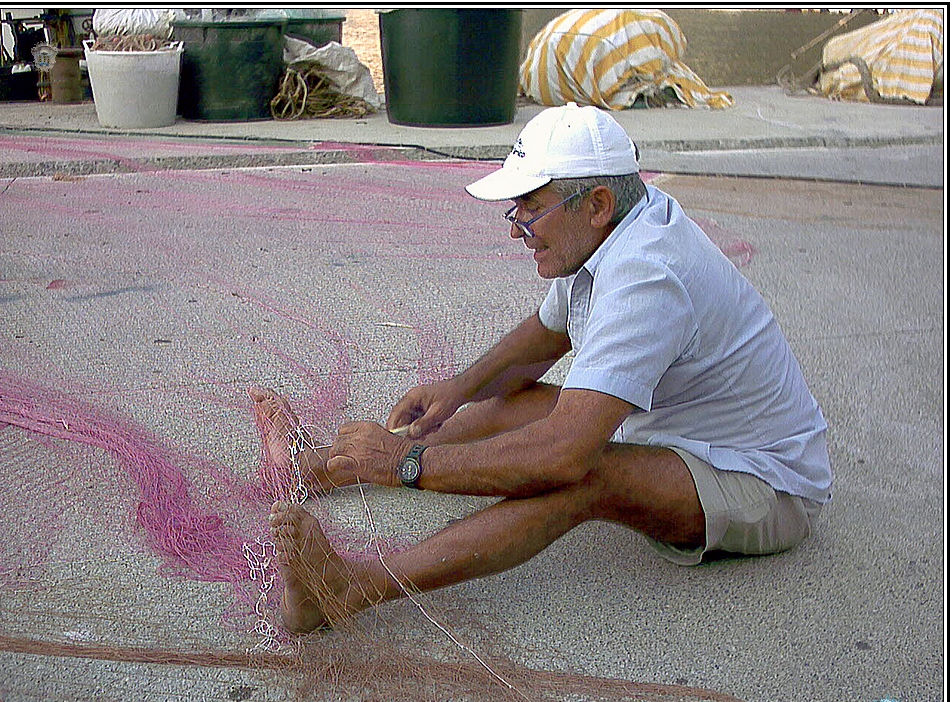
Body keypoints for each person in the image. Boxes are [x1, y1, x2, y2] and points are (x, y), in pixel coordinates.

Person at [250, 102, 832, 634]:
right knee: (520, 403)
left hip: (761, 483)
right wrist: (460, 387)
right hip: (674, 432)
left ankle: (347, 590)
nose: (515, 227)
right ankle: (314, 469)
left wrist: (405, 463)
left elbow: (562, 456)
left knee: (582, 476)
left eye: (531, 206)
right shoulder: (613, 228)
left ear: (598, 204)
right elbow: (539, 342)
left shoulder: (647, 278)